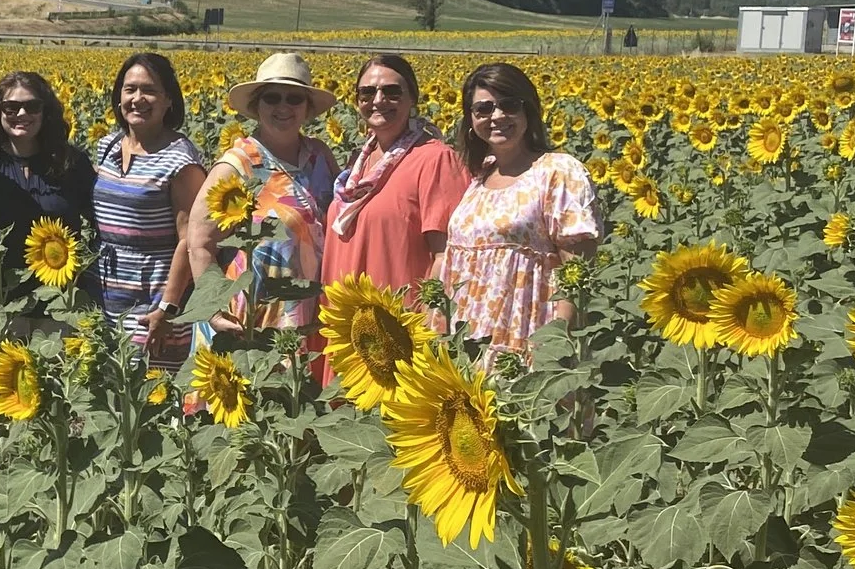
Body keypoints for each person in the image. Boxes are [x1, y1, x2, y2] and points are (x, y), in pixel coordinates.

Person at [154, 51, 338, 346]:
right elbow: (199, 243)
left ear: (307, 108)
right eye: (272, 98)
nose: (283, 107)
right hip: (248, 318)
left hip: (308, 311)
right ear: (256, 105)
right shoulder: (238, 164)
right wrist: (212, 310)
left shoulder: (320, 157)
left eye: (294, 98)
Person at [437, 61, 599, 357]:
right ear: (471, 119)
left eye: (509, 105)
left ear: (529, 110)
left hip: (526, 340)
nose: (497, 116)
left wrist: (555, 348)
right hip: (467, 343)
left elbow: (577, 273)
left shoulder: (558, 171)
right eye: (483, 109)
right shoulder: (478, 176)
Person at [322, 52, 469, 301]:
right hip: (343, 318)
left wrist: (428, 321)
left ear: (412, 98)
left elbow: (446, 256)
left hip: (397, 322)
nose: (378, 101)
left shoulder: (435, 160)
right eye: (367, 93)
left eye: (392, 92)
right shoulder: (359, 161)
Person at [90, 53, 206, 355]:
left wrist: (167, 308)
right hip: (107, 296)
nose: (138, 98)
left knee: (151, 392)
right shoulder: (108, 146)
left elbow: (190, 240)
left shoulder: (180, 160)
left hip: (154, 302)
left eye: (149, 90)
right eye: (130, 89)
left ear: (169, 100)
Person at [0, 70, 95, 279]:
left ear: (45, 111)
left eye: (32, 106)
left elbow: (102, 219)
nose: (22, 114)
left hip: (61, 299)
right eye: (11, 107)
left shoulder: (71, 164)